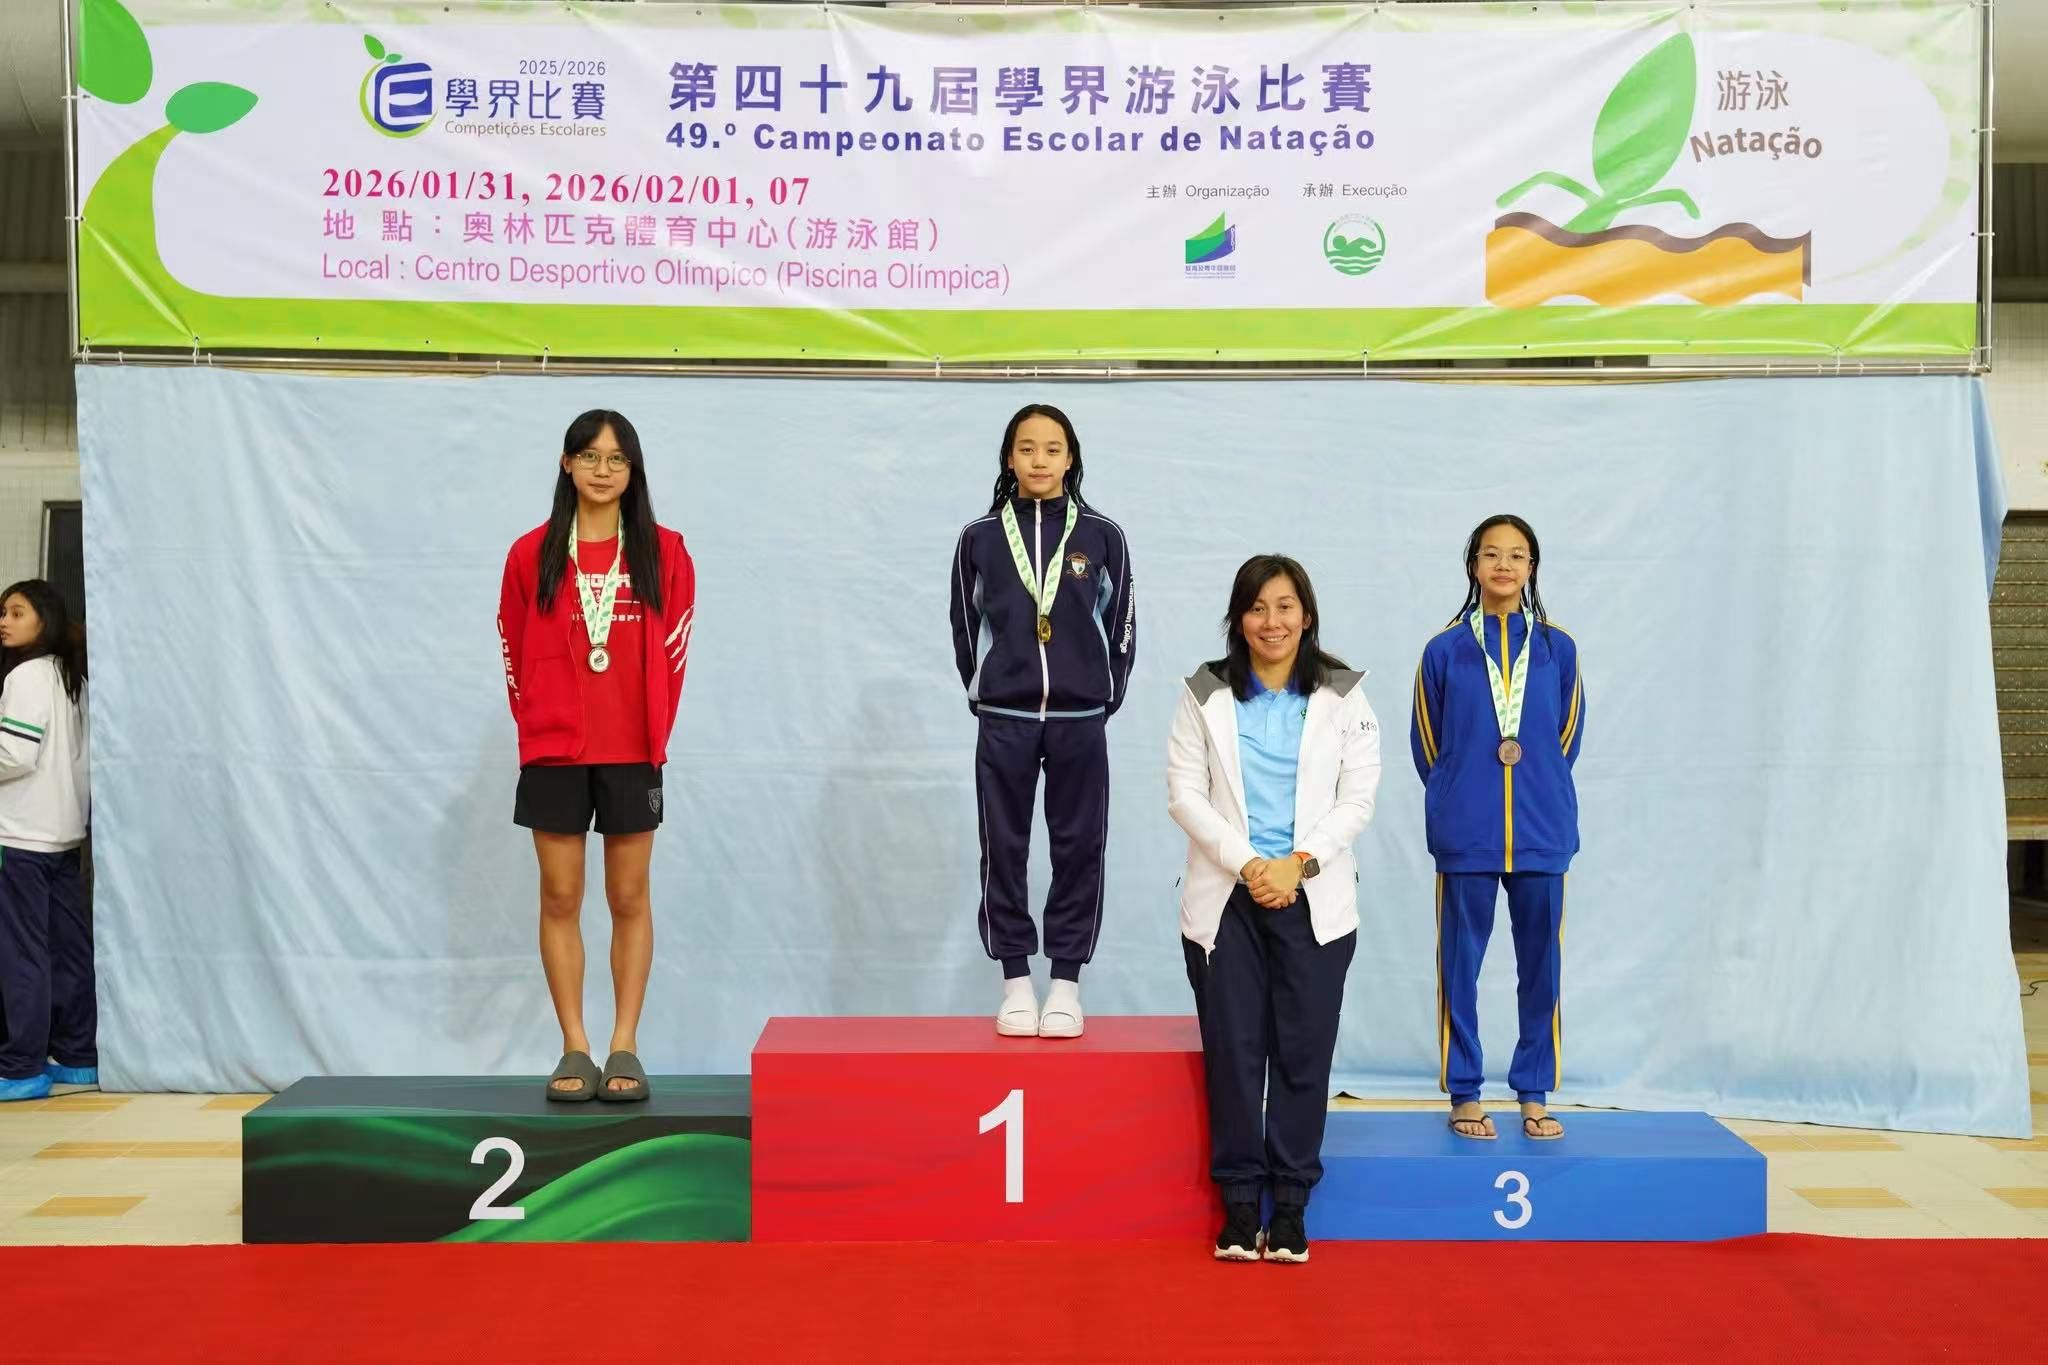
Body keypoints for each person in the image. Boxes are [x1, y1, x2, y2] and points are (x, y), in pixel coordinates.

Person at [1166, 554, 1382, 1263]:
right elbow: (1185, 795)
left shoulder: (1343, 691)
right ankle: (1238, 1203)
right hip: (1229, 896)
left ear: (1307, 615)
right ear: (1238, 619)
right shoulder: (1204, 690)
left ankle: (1289, 1205)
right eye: (1257, 608)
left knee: (1302, 1053)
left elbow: (1357, 799)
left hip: (1312, 895)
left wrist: (1297, 863)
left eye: (1285, 606)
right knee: (1233, 1054)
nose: (1272, 621)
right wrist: (1252, 864)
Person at [498, 410, 696, 1103]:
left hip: (632, 749)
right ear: (567, 464)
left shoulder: (664, 552)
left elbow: (675, 650)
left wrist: (652, 732)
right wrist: (538, 724)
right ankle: (576, 1044)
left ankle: (625, 1042)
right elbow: (512, 649)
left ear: (633, 470)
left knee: (628, 896)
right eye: (589, 456)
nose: (603, 469)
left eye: (617, 458)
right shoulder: (531, 554)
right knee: (560, 896)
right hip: (554, 751)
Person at [950, 403, 1135, 1038]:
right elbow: (964, 626)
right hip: (1005, 716)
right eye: (1027, 448)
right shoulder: (978, 539)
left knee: (1079, 847)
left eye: (1052, 449)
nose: (1039, 460)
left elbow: (1122, 624)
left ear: (1070, 458)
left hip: (1080, 717)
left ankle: (1065, 984)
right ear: (1009, 458)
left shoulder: (1103, 536)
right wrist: (986, 691)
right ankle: (1014, 982)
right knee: (1004, 846)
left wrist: (1104, 693)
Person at [1410, 514, 1585, 1142]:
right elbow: (1428, 744)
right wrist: (1459, 795)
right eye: (1491, 554)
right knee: (1460, 968)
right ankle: (1465, 1092)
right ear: (1473, 565)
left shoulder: (1559, 648)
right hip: (1468, 835)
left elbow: (1566, 737)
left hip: (1542, 832)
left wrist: (1538, 791)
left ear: (1532, 567)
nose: (1503, 565)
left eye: (1516, 555)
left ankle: (1534, 1091)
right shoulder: (1444, 650)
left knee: (1542, 968)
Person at [0, 580, 92, 1102]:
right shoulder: (71, 676)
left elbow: (14, 755)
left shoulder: (26, 675)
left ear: (45, 619)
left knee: (22, 954)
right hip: (63, 834)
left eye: (16, 612)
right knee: (67, 950)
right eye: (2, 612)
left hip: (19, 838)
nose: (4, 621)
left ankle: (20, 1067)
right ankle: (77, 1057)